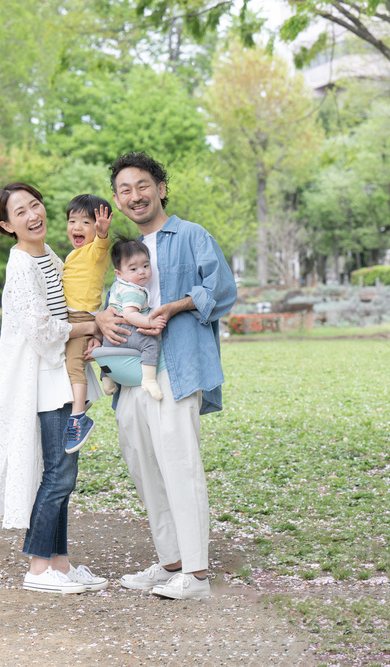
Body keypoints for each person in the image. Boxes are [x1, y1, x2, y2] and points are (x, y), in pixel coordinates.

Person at [96, 151, 236, 600]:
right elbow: (114, 300)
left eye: (142, 185)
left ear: (159, 187)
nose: (134, 196)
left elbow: (222, 290)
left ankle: (195, 575)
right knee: (144, 463)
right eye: (124, 190)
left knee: (179, 463)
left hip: (177, 363)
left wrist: (175, 306)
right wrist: (103, 318)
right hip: (130, 368)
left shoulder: (192, 235)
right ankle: (171, 561)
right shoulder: (123, 251)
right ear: (118, 201)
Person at [0, 182, 109, 595]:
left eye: (35, 205)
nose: (32, 215)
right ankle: (39, 568)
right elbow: (41, 331)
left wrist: (90, 326)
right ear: (7, 225)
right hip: (42, 379)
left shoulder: (48, 254)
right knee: (58, 473)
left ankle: (60, 563)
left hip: (59, 372)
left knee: (64, 473)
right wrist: (94, 325)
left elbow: (71, 299)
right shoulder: (21, 264)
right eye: (20, 212)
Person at [61, 194, 112, 453]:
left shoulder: (95, 251)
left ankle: (78, 417)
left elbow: (102, 243)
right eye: (72, 221)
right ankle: (92, 391)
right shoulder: (73, 255)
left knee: (74, 365)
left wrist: (102, 233)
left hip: (81, 316)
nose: (77, 227)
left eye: (85, 222)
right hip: (70, 316)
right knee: (73, 363)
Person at [100, 238, 166, 400]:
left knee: (109, 355)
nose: (141, 272)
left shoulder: (119, 285)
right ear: (119, 273)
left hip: (108, 337)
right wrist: (149, 322)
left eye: (145, 266)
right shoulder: (133, 290)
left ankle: (107, 378)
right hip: (124, 331)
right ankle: (149, 380)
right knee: (150, 344)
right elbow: (130, 315)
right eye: (133, 269)